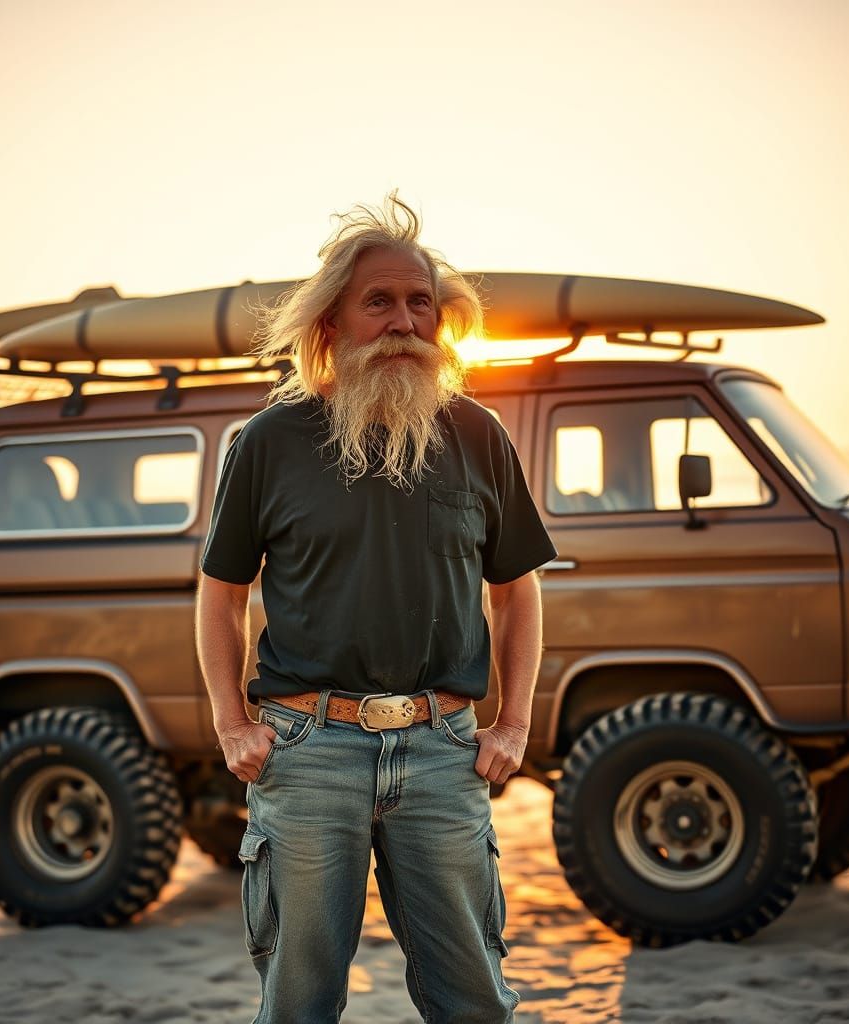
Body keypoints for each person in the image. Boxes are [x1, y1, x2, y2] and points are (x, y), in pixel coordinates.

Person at [195, 194, 557, 1024]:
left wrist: (513, 726)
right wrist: (230, 723)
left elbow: (517, 589)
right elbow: (222, 595)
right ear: (332, 322)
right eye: (380, 301)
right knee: (300, 1002)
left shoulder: (478, 434)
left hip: (442, 753)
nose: (404, 320)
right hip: (308, 750)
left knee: (476, 1000)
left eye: (420, 301)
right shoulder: (268, 442)